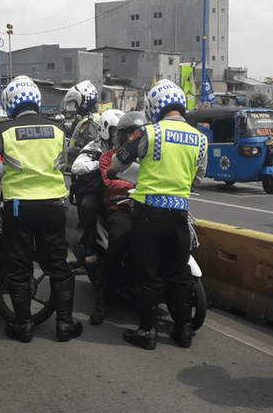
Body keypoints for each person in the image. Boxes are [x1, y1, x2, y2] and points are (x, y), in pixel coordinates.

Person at [0, 76, 82, 343]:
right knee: (58, 264)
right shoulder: (58, 129)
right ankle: (65, 325)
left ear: (11, 103)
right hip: (53, 205)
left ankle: (23, 326)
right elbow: (63, 163)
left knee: (19, 265)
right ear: (36, 100)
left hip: (18, 206)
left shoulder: (4, 130)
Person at [108, 79, 207, 350]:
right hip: (179, 216)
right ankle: (184, 332)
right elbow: (196, 180)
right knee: (179, 273)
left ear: (155, 106)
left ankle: (147, 332)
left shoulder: (149, 133)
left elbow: (119, 162)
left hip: (148, 214)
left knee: (149, 275)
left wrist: (114, 169)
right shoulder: (200, 139)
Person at [87, 110, 148, 325]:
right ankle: (100, 303)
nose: (134, 137)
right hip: (120, 208)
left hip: (146, 207)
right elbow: (111, 182)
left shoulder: (149, 156)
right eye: (130, 134)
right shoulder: (108, 158)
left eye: (138, 133)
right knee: (116, 247)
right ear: (121, 136)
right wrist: (137, 184)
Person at [71, 109, 124, 278]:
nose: (118, 136)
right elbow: (77, 166)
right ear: (105, 130)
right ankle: (90, 249)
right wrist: (100, 164)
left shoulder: (127, 147)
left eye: (120, 132)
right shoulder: (95, 146)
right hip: (98, 191)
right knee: (87, 206)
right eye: (115, 131)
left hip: (121, 191)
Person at [65, 80, 100, 171]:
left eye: (76, 104)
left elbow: (80, 148)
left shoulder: (89, 122)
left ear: (83, 101)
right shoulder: (94, 118)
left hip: (81, 169)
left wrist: (62, 149)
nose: (75, 108)